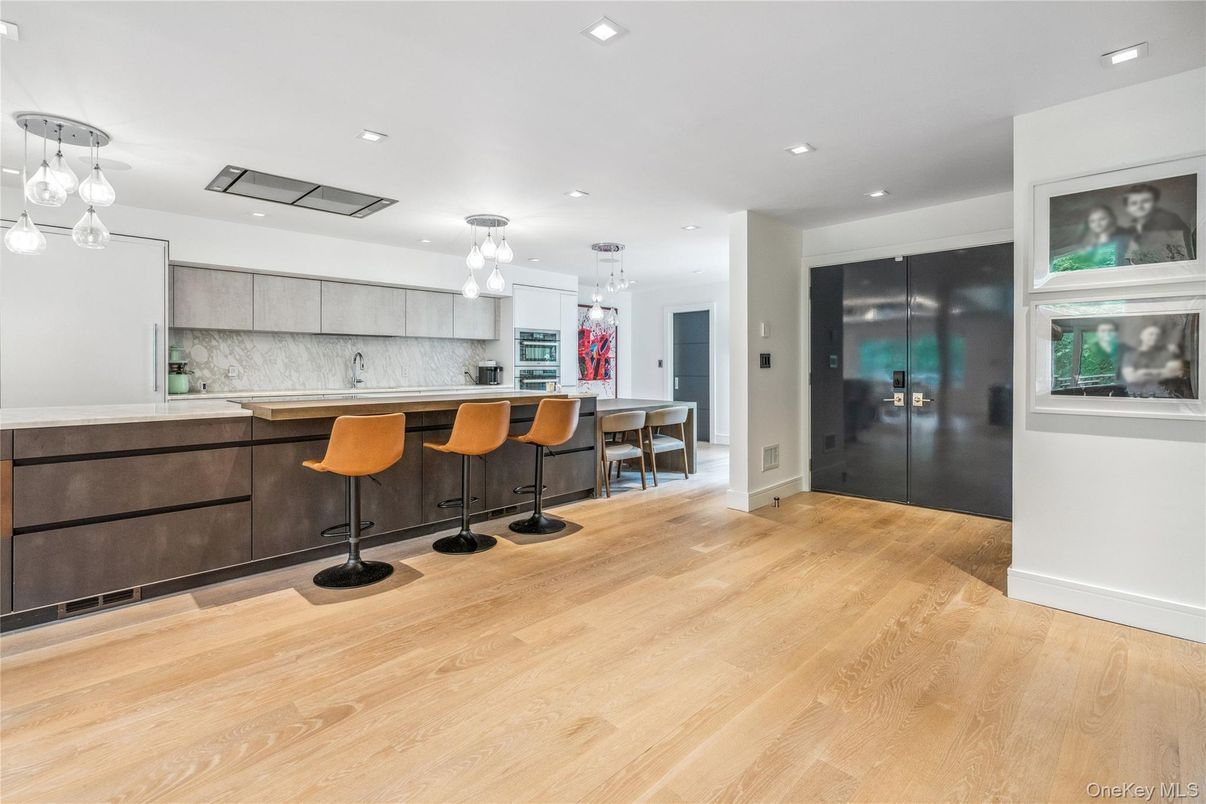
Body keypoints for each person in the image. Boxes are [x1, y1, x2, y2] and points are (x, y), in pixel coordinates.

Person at [1121, 183, 1195, 263]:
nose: (1140, 206)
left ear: (1155, 203)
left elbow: (1181, 253)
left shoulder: (1169, 220)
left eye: (1145, 201)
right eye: (1134, 203)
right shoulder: (1131, 228)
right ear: (1127, 208)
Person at [1120, 322, 1190, 397]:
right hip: (1139, 398)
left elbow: (1180, 373)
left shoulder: (1169, 354)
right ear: (1142, 335)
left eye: (1158, 335)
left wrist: (1146, 373)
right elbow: (1131, 377)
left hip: (1166, 397)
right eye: (1151, 334)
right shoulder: (1130, 355)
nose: (1155, 337)